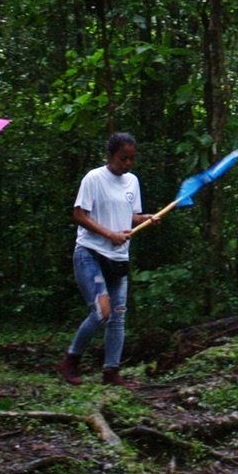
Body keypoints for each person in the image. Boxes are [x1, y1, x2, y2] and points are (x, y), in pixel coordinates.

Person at [60, 132, 152, 386]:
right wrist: (109, 234)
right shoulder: (94, 178)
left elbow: (130, 216)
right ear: (110, 155)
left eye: (132, 159)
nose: (128, 164)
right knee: (102, 312)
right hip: (91, 253)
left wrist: (143, 219)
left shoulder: (133, 182)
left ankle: (111, 371)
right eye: (123, 158)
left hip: (119, 258)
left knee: (118, 315)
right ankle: (71, 359)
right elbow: (79, 215)